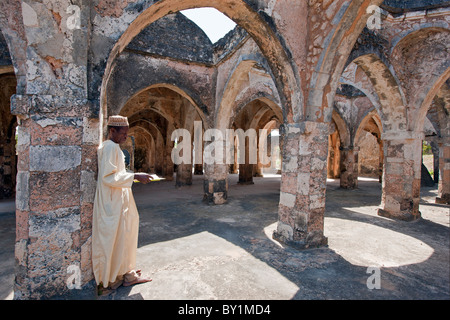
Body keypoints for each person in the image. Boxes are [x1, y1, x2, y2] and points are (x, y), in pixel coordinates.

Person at [92, 115, 155, 292]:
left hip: (117, 199)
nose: (125, 136)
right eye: (123, 133)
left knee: (123, 237)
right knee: (118, 238)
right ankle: (118, 276)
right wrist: (135, 176)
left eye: (127, 133)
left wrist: (133, 176)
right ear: (112, 131)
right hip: (113, 201)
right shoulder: (110, 147)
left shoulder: (111, 147)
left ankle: (125, 271)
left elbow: (115, 173)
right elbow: (108, 177)